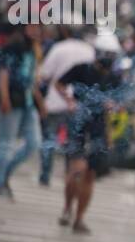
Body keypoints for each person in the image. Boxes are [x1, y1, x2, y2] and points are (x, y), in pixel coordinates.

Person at [53, 34, 122, 234]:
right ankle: (67, 208)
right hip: (78, 124)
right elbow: (59, 83)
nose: (109, 58)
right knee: (77, 171)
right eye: (107, 54)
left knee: (90, 175)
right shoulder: (82, 69)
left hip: (98, 128)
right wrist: (70, 102)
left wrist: (113, 106)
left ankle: (80, 218)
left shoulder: (114, 77)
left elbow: (117, 100)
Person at [0, 20, 45, 200]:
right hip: (11, 100)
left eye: (38, 27)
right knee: (6, 144)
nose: (35, 31)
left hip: (27, 103)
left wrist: (40, 103)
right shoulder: (14, 47)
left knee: (34, 142)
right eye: (32, 27)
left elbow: (32, 80)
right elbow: (3, 73)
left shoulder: (32, 50)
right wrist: (4, 98)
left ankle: (5, 174)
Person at [37, 23, 95, 186]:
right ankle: (70, 175)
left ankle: (45, 175)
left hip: (55, 101)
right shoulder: (89, 50)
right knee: (74, 141)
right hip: (78, 104)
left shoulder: (58, 48)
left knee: (49, 138)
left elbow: (45, 74)